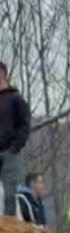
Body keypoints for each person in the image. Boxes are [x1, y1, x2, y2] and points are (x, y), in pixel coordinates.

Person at [0, 62, 30, 218]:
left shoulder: (15, 98)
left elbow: (25, 124)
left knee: (9, 191)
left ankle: (9, 224)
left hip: (9, 151)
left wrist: (15, 147)